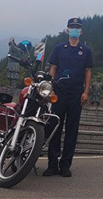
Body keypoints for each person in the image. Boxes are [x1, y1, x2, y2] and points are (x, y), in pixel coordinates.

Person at [43, 17, 93, 178]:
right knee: (54, 127)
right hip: (58, 93)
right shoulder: (59, 48)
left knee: (72, 130)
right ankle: (52, 164)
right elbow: (53, 68)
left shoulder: (85, 51)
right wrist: (50, 89)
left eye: (77, 28)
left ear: (81, 31)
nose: (74, 30)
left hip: (76, 95)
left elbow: (87, 72)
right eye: (72, 27)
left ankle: (65, 165)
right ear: (67, 30)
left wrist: (86, 92)